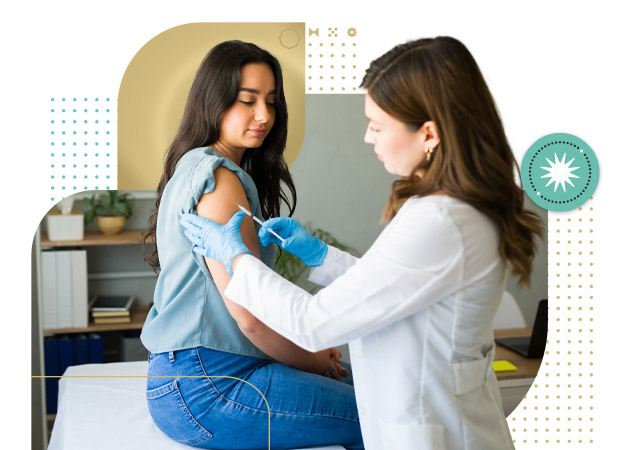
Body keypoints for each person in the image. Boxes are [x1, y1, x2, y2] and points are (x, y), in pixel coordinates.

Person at [180, 36, 544, 450]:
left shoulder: (440, 220)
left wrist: (239, 259)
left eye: (377, 125)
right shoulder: (451, 207)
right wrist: (320, 257)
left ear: (428, 133)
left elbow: (313, 323)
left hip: (433, 428)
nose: (369, 137)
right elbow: (395, 289)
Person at [140, 40, 364, 450]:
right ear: (214, 102)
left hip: (186, 381)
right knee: (378, 415)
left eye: (271, 101)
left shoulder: (190, 165)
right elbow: (251, 320)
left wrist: (314, 354)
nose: (264, 115)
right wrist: (313, 359)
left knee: (369, 385)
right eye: (248, 100)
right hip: (212, 385)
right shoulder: (221, 181)